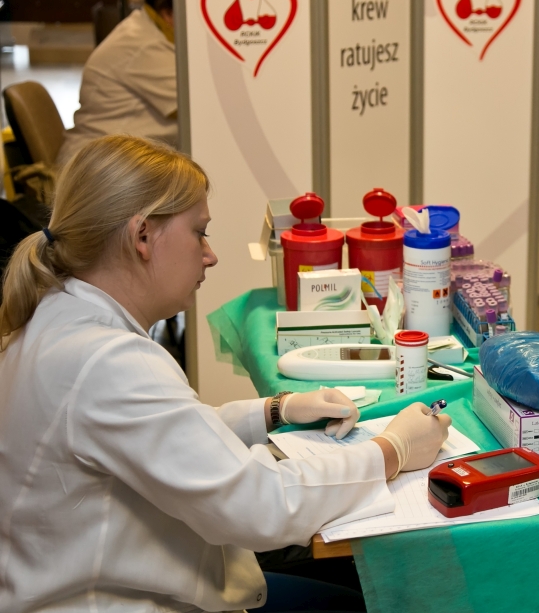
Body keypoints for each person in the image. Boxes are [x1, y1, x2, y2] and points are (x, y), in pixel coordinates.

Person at [0, 136, 452, 612]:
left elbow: (163, 432)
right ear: (142, 236)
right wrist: (393, 450)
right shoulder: (111, 362)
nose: (210, 255)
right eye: (199, 232)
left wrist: (275, 410)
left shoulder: (56, 316)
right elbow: (263, 507)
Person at [56, 0, 179, 167]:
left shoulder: (146, 28)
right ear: (169, 13)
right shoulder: (143, 44)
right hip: (99, 171)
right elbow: (195, 106)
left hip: (115, 164)